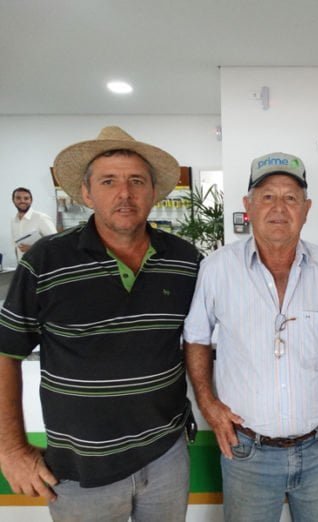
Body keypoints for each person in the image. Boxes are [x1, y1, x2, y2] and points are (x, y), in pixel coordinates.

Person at [0, 126, 200, 521]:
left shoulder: (185, 260)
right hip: (80, 470)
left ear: (153, 192)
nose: (124, 193)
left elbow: (203, 338)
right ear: (87, 193)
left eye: (136, 181)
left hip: (166, 456)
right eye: (109, 181)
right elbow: (6, 352)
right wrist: (11, 448)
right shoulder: (46, 260)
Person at [183, 152, 318, 522]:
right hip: (247, 450)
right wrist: (207, 403)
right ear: (248, 205)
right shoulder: (217, 269)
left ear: (306, 209)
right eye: (267, 196)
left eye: (290, 198)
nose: (279, 208)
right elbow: (196, 337)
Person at [10, 186, 57, 262]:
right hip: (22, 265)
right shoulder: (13, 221)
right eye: (18, 198)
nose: (22, 201)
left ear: (31, 201)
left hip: (40, 266)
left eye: (26, 198)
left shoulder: (41, 218)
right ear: (13, 200)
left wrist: (32, 248)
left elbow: (55, 243)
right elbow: (16, 247)